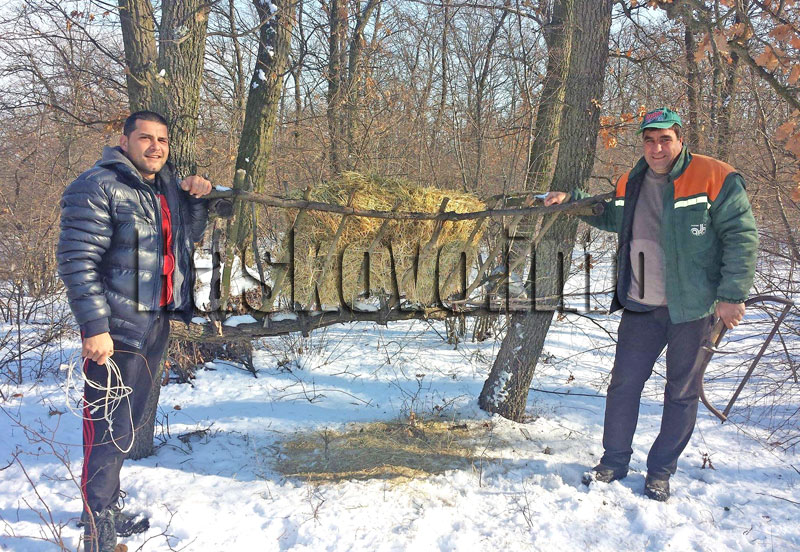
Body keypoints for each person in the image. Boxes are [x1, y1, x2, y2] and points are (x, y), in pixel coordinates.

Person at [544, 107, 758, 501]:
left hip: (693, 308)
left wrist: (732, 295)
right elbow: (610, 215)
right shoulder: (632, 180)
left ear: (680, 139)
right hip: (641, 306)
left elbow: (741, 237)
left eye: (665, 139)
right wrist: (570, 201)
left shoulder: (715, 176)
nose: (657, 148)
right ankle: (614, 461)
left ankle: (660, 471)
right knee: (623, 385)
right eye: (649, 140)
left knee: (681, 393)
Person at [57, 111, 211, 550]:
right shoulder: (97, 186)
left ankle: (103, 507)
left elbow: (186, 237)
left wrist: (195, 198)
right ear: (124, 142)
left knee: (125, 424)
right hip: (116, 330)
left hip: (154, 321)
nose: (155, 147)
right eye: (146, 138)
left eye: (162, 139)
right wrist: (94, 328)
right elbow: (77, 261)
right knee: (106, 428)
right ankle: (98, 530)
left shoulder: (163, 187)